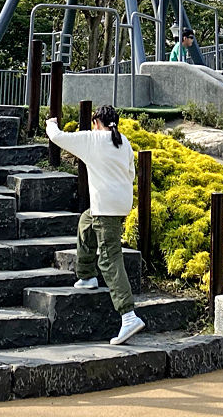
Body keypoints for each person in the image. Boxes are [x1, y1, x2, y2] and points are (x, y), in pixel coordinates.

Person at [45, 104, 144, 345]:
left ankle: (128, 315)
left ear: (96, 122)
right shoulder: (124, 141)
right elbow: (131, 173)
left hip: (107, 208)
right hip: (118, 204)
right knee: (85, 223)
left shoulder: (93, 139)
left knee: (110, 258)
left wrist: (50, 123)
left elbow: (58, 137)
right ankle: (87, 276)